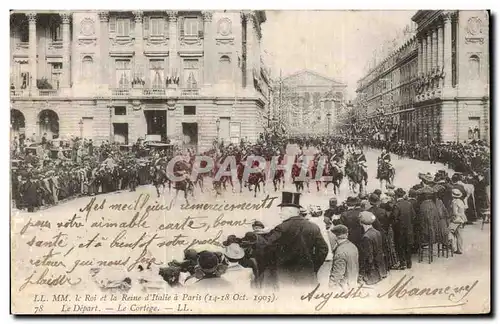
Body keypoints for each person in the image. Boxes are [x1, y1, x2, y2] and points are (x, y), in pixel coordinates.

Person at [263, 191, 328, 289]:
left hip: (285, 276)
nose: (280, 213)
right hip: (307, 275)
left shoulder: (281, 228)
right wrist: (313, 266)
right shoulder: (313, 227)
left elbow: (267, 246)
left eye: (282, 210)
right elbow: (323, 249)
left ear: (290, 212)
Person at [359, 211, 387, 285]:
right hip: (380, 268)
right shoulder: (377, 232)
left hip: (372, 274)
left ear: (361, 223)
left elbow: (369, 256)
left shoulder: (366, 236)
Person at [329, 225, 359, 292]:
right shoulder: (353, 246)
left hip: (343, 286)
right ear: (346, 234)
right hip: (353, 282)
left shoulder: (340, 251)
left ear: (335, 236)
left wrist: (331, 286)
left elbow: (338, 273)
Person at [392, 188, 415, 270]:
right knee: (408, 246)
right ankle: (409, 263)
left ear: (396, 196)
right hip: (409, 229)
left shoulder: (396, 205)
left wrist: (395, 227)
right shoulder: (409, 204)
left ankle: (402, 263)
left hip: (400, 230)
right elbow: (413, 216)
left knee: (400, 246)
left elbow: (394, 218)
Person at [450, 189, 467, 254]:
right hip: (462, 219)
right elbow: (463, 210)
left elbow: (454, 212)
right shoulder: (461, 201)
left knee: (450, 232)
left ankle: (453, 248)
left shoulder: (454, 202)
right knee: (460, 235)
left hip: (456, 219)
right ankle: (460, 249)